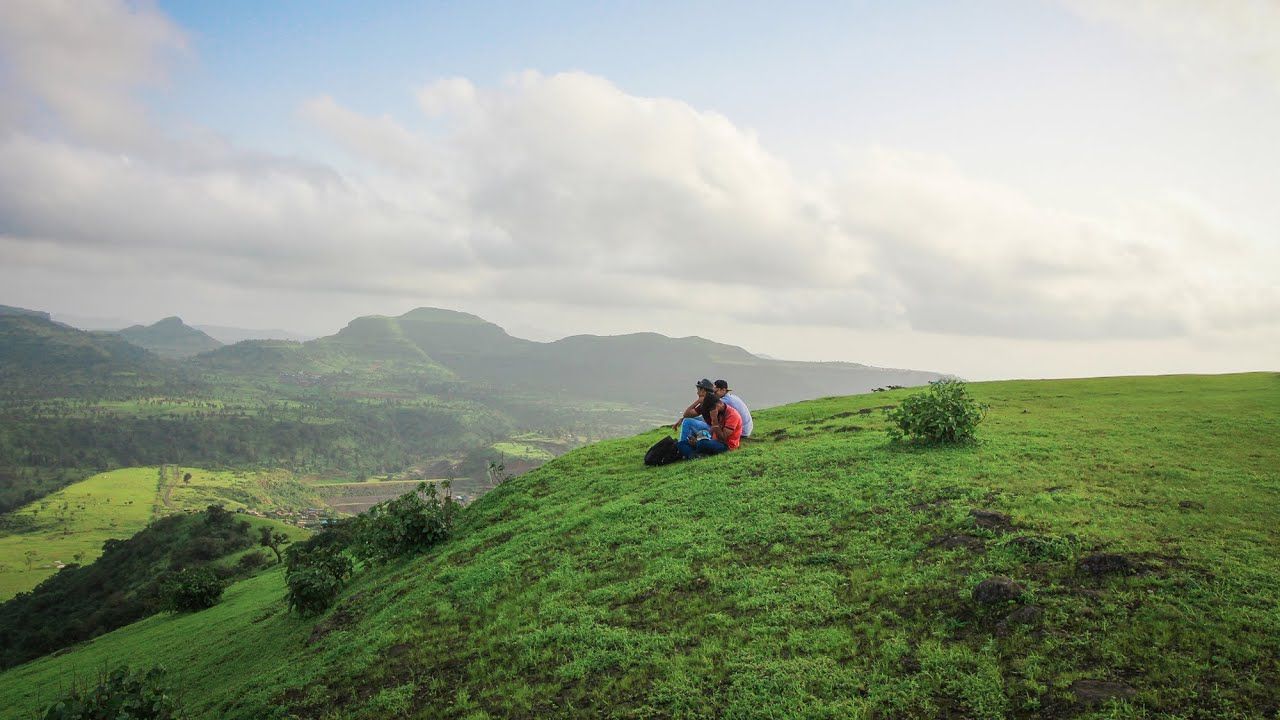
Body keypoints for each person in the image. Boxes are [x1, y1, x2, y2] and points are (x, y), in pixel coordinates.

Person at [676, 392, 743, 459]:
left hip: (726, 445)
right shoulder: (718, 412)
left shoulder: (732, 415)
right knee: (681, 444)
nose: (711, 412)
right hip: (713, 440)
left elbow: (723, 438)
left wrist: (715, 420)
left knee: (702, 444)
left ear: (719, 404)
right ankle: (694, 455)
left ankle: (693, 454)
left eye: (712, 410)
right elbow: (712, 432)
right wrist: (697, 439)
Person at [673, 379, 716, 444]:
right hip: (712, 428)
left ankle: (682, 444)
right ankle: (690, 442)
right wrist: (682, 419)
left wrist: (698, 401)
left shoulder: (709, 402)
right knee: (688, 420)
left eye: (698, 390)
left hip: (714, 430)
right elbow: (687, 415)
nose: (697, 393)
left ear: (703, 390)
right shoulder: (705, 402)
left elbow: (686, 415)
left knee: (687, 422)